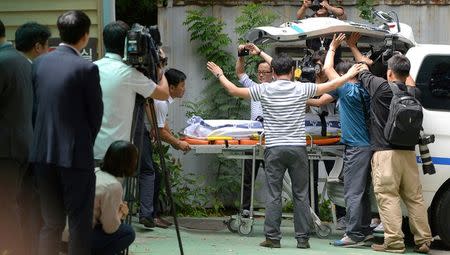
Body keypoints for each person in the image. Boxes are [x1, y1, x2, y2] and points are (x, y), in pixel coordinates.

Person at [207, 53, 364, 249]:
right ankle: (302, 239)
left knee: (274, 194)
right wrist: (349, 73)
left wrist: (220, 74)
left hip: (274, 148)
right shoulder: (301, 88)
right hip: (297, 148)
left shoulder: (263, 89)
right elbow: (330, 86)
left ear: (273, 72)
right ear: (292, 71)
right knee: (301, 194)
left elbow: (233, 90)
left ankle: (272, 238)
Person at [30, 10, 103, 255]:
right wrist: (84, 143)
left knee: (50, 223)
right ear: (85, 36)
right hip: (74, 155)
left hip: (41, 153)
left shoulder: (39, 63)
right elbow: (95, 116)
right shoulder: (86, 68)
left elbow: (35, 109)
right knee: (79, 224)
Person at [355, 46, 432, 252]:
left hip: (384, 153)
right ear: (407, 73)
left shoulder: (380, 87)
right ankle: (424, 241)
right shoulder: (414, 92)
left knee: (388, 197)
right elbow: (408, 80)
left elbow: (361, 70)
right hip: (408, 154)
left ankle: (394, 243)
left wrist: (363, 58)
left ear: (389, 73)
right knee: (415, 199)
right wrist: (401, 61)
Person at [308, 33, 373, 246]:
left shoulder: (348, 89)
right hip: (366, 146)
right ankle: (364, 230)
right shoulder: (364, 89)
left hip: (356, 147)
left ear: (346, 75)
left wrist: (334, 47)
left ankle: (354, 235)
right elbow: (320, 99)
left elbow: (328, 70)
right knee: (361, 192)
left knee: (352, 192)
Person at [93, 20, 169, 161]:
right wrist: (159, 66)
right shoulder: (128, 74)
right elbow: (164, 94)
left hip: (91, 149)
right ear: (127, 42)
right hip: (116, 155)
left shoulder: (91, 68)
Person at [14, 21, 51, 255]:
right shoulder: (29, 71)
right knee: (30, 204)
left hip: (16, 148)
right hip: (27, 150)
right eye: (48, 46)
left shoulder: (15, 66)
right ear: (38, 47)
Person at [139, 68, 188, 229]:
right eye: (182, 85)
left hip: (143, 137)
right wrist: (177, 143)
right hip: (140, 137)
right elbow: (159, 131)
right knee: (152, 172)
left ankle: (152, 214)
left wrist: (175, 137)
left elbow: (162, 125)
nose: (184, 88)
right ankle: (148, 215)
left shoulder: (163, 101)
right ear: (171, 87)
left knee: (157, 172)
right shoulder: (161, 102)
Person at [0, 18, 33, 255]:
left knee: (5, 205)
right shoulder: (21, 60)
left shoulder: (2, 62)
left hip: (5, 147)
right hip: (22, 143)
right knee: (15, 203)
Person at [235, 43, 273, 215]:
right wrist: (241, 55)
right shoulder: (253, 87)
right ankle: (244, 209)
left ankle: (274, 209)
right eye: (259, 71)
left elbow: (282, 70)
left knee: (274, 178)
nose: (261, 74)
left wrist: (259, 53)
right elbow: (240, 73)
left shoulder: (278, 88)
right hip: (253, 137)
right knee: (248, 175)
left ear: (273, 74)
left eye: (265, 71)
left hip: (272, 138)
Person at [92, 141, 137, 255]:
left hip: (64, 232)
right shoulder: (113, 186)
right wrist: (122, 212)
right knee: (128, 232)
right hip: (79, 238)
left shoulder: (95, 171)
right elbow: (110, 228)